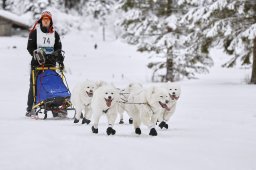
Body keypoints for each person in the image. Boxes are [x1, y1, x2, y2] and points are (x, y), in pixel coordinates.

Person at [25, 11, 64, 117]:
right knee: (34, 85)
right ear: (41, 20)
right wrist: (37, 54)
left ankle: (54, 107)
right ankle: (30, 108)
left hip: (51, 63)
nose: (46, 21)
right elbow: (30, 47)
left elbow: (58, 48)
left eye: (48, 19)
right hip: (37, 63)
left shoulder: (54, 33)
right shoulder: (35, 32)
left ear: (50, 21)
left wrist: (59, 59)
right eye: (44, 19)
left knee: (52, 84)